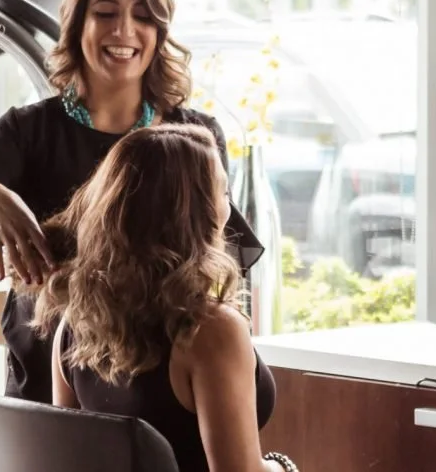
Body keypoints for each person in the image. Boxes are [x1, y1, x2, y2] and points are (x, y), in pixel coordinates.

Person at [0, 0, 263, 404]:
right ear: (76, 24)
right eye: (105, 13)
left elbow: (218, 260)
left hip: (159, 394)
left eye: (143, 16)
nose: (124, 31)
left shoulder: (194, 137)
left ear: (160, 31)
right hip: (45, 386)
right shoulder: (28, 132)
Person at [23, 124, 295, 472]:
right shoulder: (210, 330)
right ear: (193, 214)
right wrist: (283, 467)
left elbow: (70, 462)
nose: (230, 210)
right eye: (223, 194)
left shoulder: (73, 325)